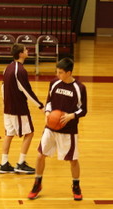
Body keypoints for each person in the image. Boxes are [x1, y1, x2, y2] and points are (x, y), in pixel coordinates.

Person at [28, 58, 87, 201]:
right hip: (50, 128)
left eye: (60, 72)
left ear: (69, 72)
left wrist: (71, 116)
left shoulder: (80, 88)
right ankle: (37, 183)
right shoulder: (54, 83)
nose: (58, 74)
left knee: (73, 160)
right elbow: (49, 101)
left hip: (69, 130)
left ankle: (76, 185)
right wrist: (48, 113)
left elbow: (83, 110)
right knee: (40, 155)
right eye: (57, 72)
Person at [0, 43, 44, 174]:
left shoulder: (8, 68)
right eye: (25, 49)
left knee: (9, 134)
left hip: (8, 108)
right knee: (29, 133)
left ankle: (3, 163)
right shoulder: (20, 71)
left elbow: (2, 87)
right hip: (18, 109)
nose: (27, 50)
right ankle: (21, 163)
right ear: (20, 54)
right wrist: (40, 106)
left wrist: (5, 103)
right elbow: (27, 91)